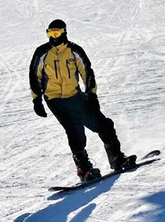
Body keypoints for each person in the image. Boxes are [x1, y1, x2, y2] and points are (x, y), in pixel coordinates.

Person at [29, 20, 136, 182]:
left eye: (56, 33)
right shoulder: (42, 52)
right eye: (50, 33)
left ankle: (116, 158)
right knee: (74, 131)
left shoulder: (74, 50)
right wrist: (36, 100)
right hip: (55, 99)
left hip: (75, 96)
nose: (54, 37)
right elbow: (34, 76)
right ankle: (84, 169)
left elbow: (87, 73)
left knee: (102, 124)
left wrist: (91, 95)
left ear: (64, 32)